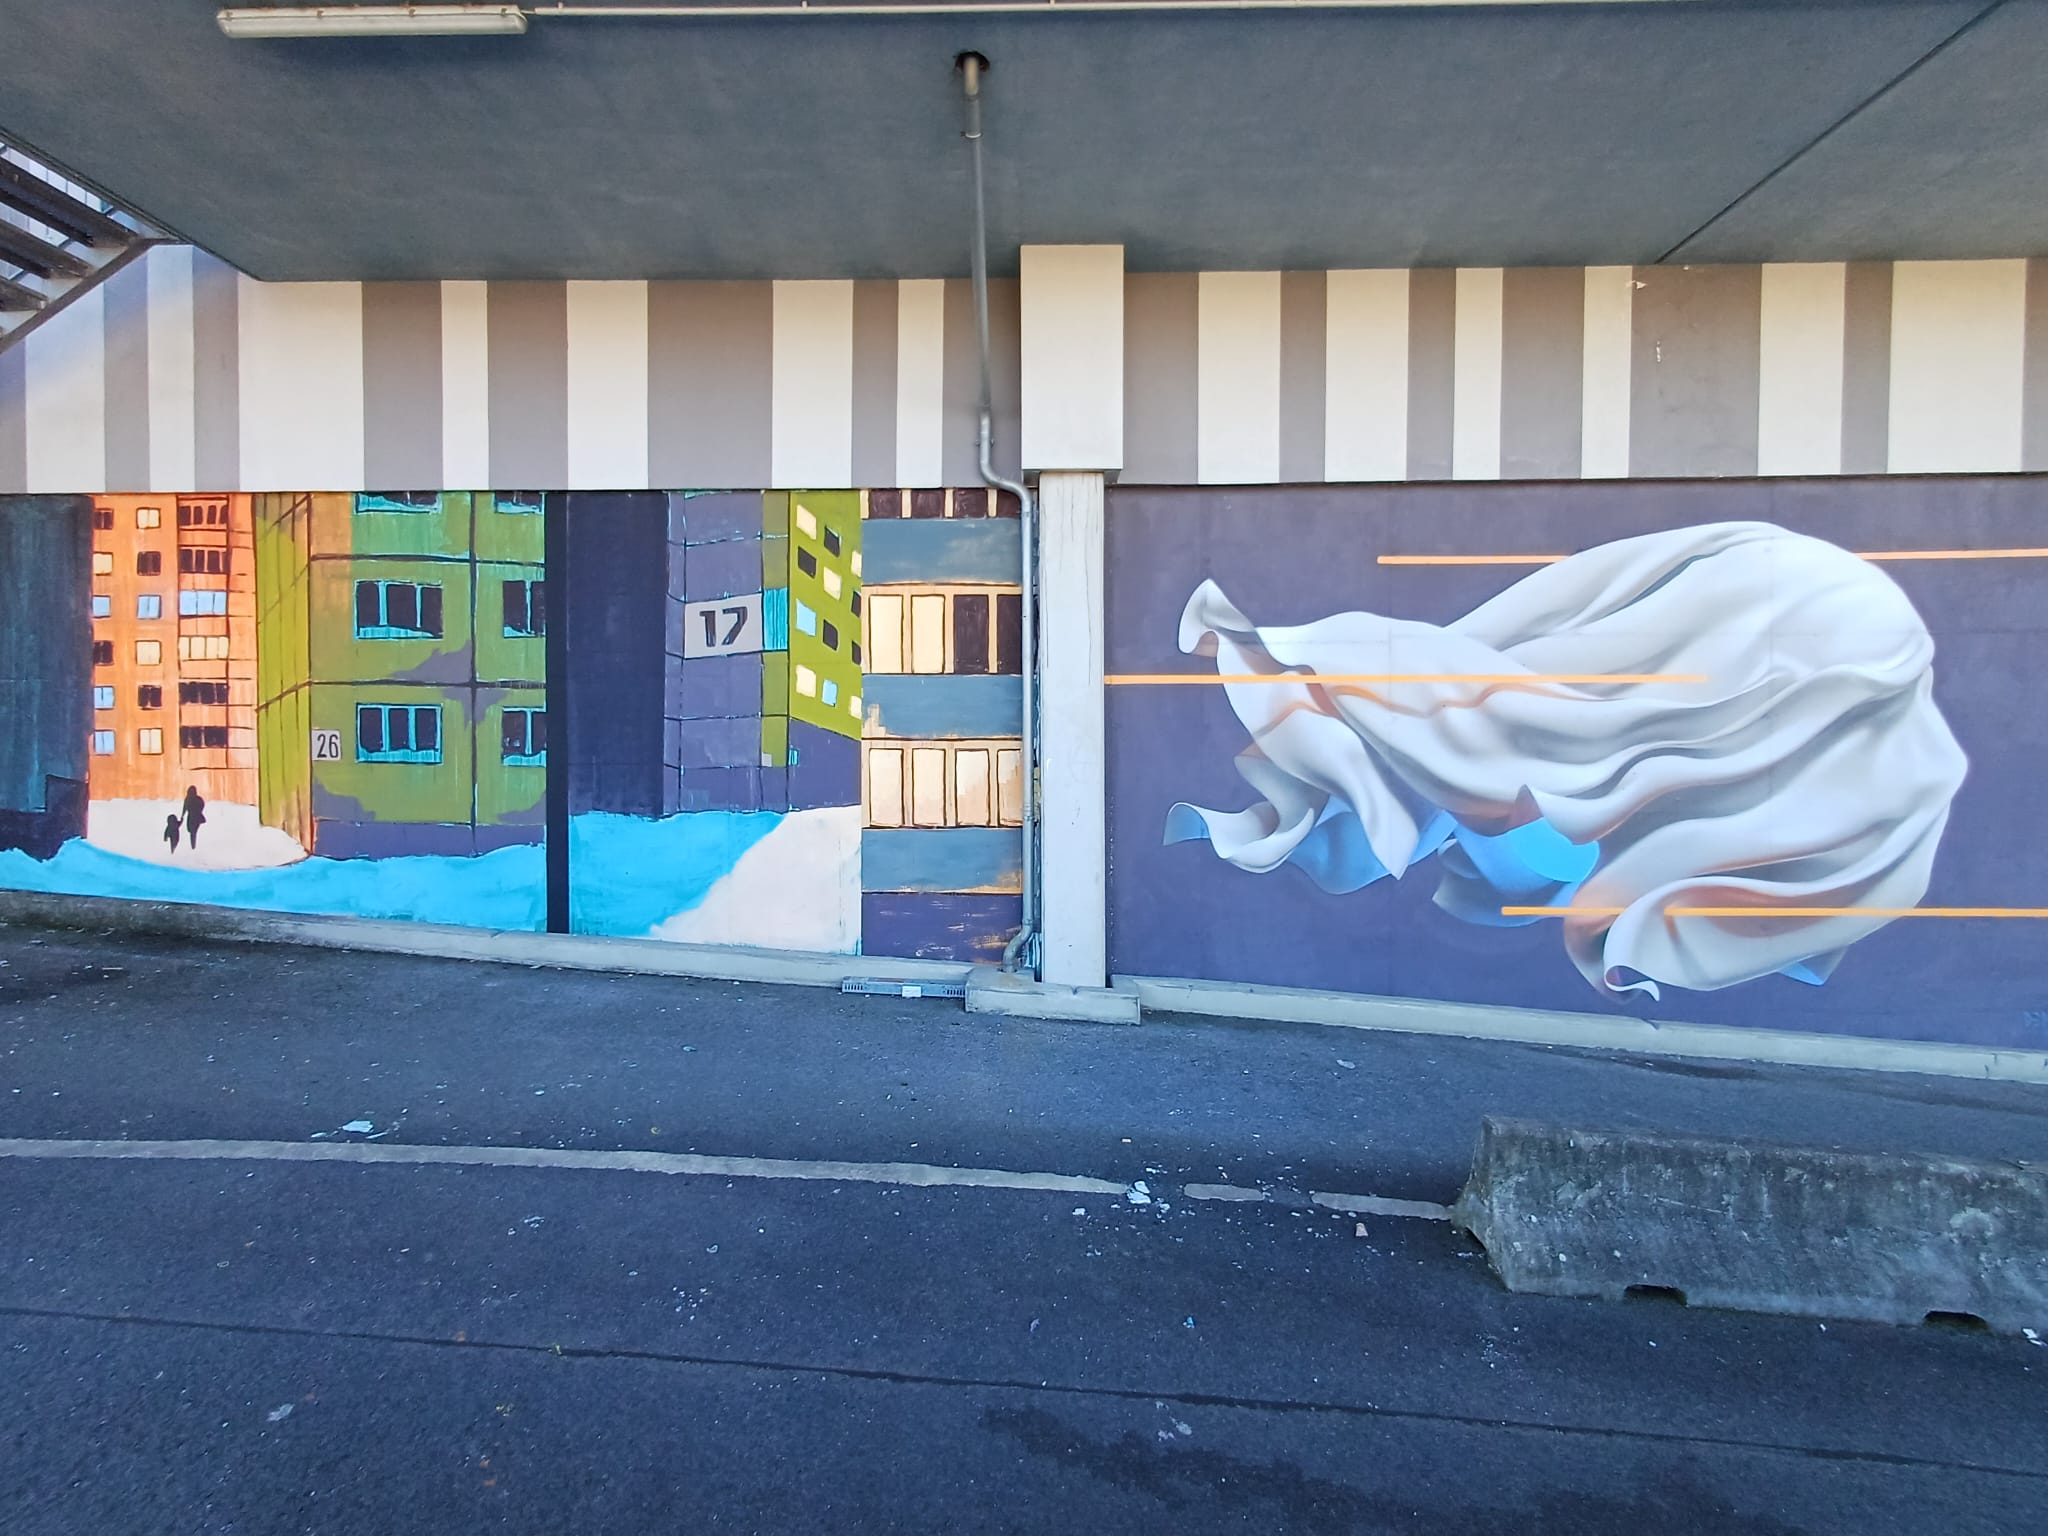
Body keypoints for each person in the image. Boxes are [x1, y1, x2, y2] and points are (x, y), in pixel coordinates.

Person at [181, 785, 207, 850]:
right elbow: (202, 805)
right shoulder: (195, 799)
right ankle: (193, 846)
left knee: (192, 832)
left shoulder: (189, 799)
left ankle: (193, 846)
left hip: (193, 817)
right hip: (195, 817)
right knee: (192, 831)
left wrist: (183, 815)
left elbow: (185, 808)